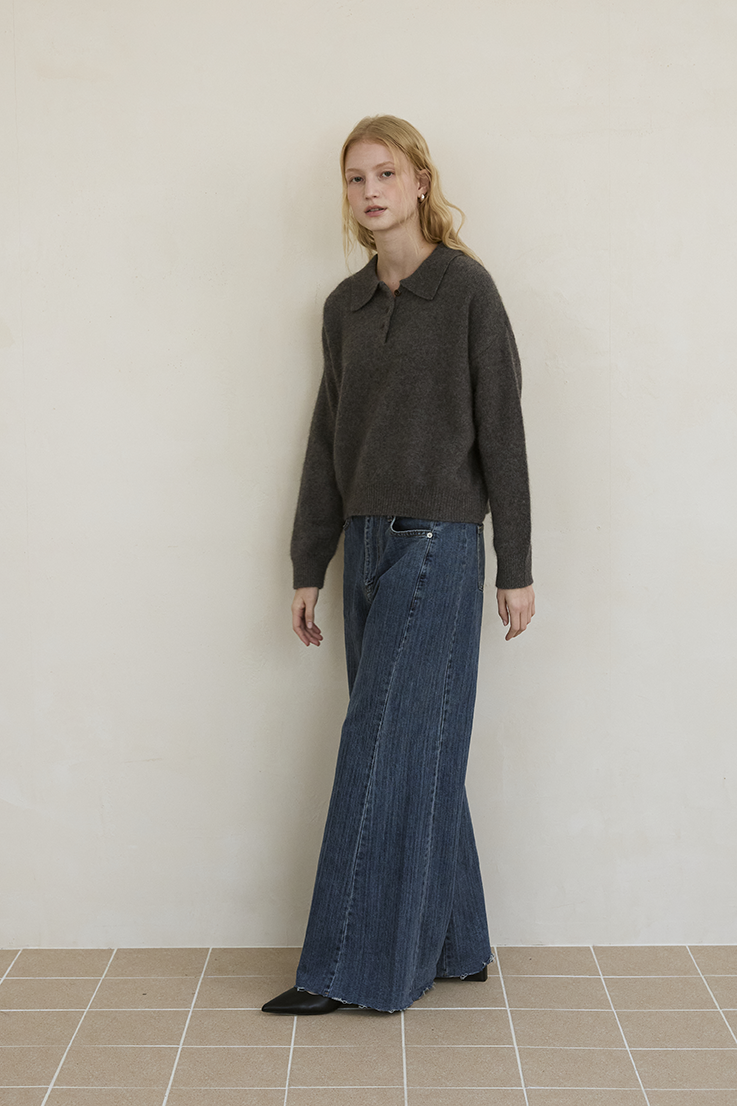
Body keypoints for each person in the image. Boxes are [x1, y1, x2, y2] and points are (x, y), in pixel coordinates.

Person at [262, 115, 535, 1015]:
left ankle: (341, 968)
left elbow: (503, 431)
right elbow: (325, 441)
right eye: (355, 178)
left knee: (377, 749)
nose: (370, 191)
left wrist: (515, 564)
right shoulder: (343, 307)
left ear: (420, 181)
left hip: (437, 547)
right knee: (415, 742)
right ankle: (457, 943)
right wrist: (309, 560)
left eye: (385, 173)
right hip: (366, 545)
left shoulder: (465, 290)